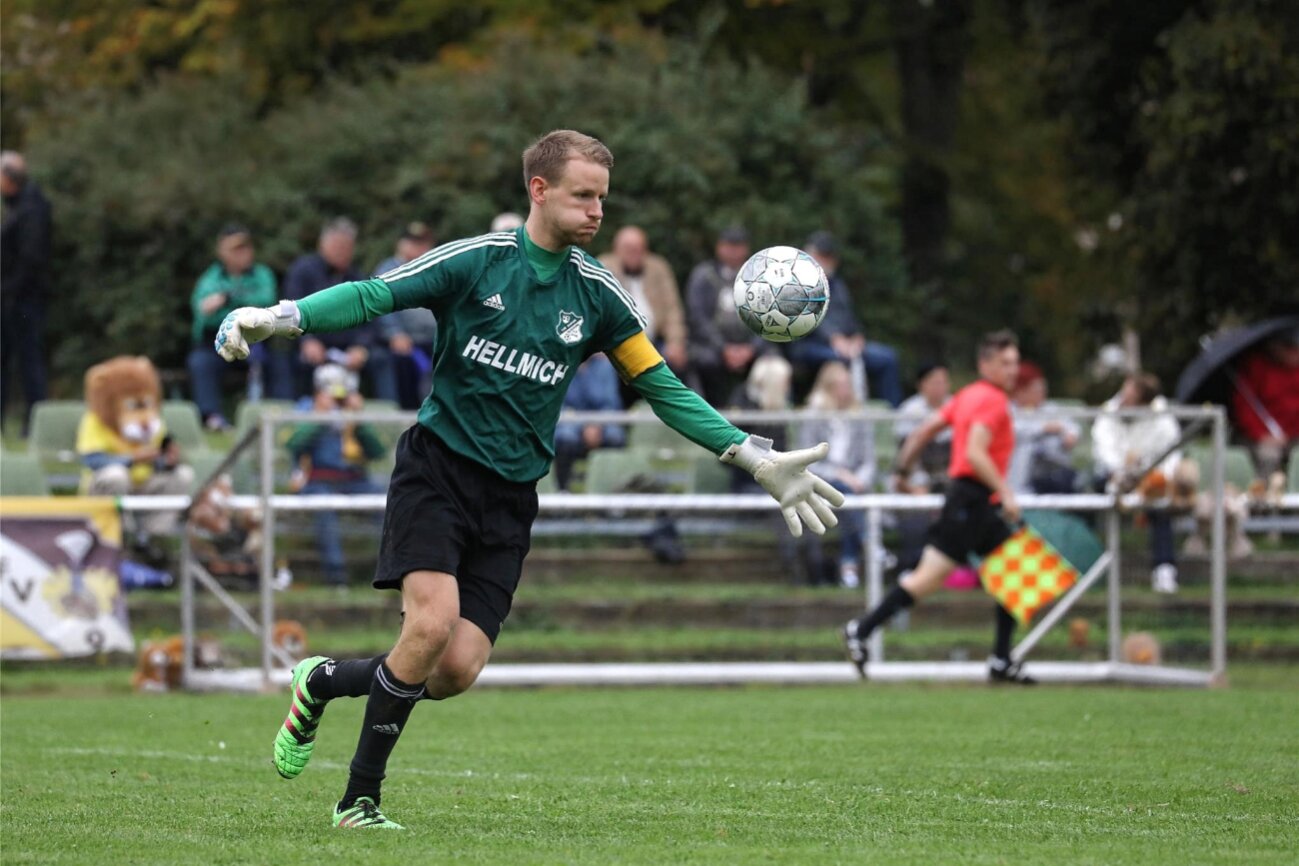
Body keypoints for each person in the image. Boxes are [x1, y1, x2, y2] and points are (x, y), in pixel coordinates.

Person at [214, 129, 843, 830]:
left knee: (453, 670)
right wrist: (282, 317)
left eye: (602, 198)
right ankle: (358, 800)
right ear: (538, 190)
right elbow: (373, 294)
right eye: (582, 195)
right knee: (428, 628)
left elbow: (659, 384)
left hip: (511, 495)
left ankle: (323, 680)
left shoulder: (599, 296)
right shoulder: (478, 262)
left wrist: (748, 454)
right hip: (437, 471)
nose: (596, 211)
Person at [843, 330, 1033, 684]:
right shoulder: (990, 400)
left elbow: (922, 433)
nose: (1013, 370)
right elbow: (976, 454)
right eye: (1005, 363)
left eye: (1015, 362)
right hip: (973, 499)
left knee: (1014, 573)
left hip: (971, 500)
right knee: (929, 580)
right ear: (985, 364)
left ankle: (1001, 660)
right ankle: (861, 629)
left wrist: (901, 472)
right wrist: (1006, 491)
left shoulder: (966, 396)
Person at [287, 365, 387, 588]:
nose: (337, 397)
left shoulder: (353, 412)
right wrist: (320, 417)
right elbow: (293, 445)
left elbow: (378, 452)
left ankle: (389, 572)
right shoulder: (306, 408)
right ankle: (337, 578)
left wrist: (358, 418)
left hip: (354, 479)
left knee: (388, 502)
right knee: (323, 506)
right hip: (318, 480)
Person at [1091, 372, 1186, 593]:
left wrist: (1152, 476)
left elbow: (1171, 454)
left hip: (1150, 478)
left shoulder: (1162, 417)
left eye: (1131, 396)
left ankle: (1164, 570)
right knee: (1100, 489)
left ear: (1145, 402)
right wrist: (1121, 471)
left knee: (1160, 505)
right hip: (1113, 475)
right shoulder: (1109, 411)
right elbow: (1102, 448)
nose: (1124, 399)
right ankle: (1095, 567)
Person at [284, 218, 397, 402]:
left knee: (382, 359)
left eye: (347, 247)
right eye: (338, 246)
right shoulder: (303, 271)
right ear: (322, 244)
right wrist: (307, 341)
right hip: (313, 344)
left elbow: (373, 319)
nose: (343, 252)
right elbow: (289, 310)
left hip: (349, 348)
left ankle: (387, 418)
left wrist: (361, 347)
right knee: (286, 360)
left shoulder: (357, 277)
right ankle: (294, 417)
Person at [787, 231, 903, 407]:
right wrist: (834, 338)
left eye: (828, 256)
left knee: (888, 358)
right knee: (844, 359)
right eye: (820, 255)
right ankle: (849, 413)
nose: (824, 261)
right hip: (808, 345)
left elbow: (850, 318)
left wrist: (857, 336)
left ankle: (893, 423)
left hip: (844, 346)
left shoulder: (838, 285)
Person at [186, 225, 278, 429]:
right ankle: (212, 418)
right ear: (222, 252)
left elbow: (266, 301)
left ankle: (277, 415)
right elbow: (204, 315)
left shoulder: (262, 275)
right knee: (201, 362)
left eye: (246, 247)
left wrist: (227, 298)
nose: (243, 253)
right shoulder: (210, 278)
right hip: (218, 345)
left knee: (280, 362)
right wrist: (239, 305)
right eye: (236, 249)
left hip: (254, 342)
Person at [797, 361, 876, 588]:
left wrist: (859, 478)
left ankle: (850, 566)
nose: (846, 391)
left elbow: (868, 460)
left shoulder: (859, 416)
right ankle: (865, 547)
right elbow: (807, 460)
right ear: (828, 387)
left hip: (854, 485)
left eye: (848, 385)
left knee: (848, 498)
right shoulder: (813, 416)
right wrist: (840, 475)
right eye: (840, 385)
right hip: (821, 480)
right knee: (846, 494)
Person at [685, 225, 767, 406]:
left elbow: (770, 318)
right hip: (711, 347)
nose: (733, 251)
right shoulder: (703, 276)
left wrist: (751, 348)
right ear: (719, 247)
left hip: (751, 348)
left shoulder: (762, 278)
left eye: (738, 246)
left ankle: (766, 427)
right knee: (704, 362)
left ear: (746, 249)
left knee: (774, 367)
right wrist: (723, 348)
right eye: (729, 245)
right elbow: (697, 318)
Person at [0, 150, 52, 436]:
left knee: (29, 361)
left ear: (9, 177)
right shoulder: (18, 206)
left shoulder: (32, 208)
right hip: (14, 297)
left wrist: (7, 290)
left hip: (23, 300)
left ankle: (35, 423)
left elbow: (31, 260)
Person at [599, 226, 688, 373]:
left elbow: (673, 310)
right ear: (616, 250)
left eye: (638, 248)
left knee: (680, 361)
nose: (634, 253)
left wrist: (675, 342)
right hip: (615, 345)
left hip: (655, 341)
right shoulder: (603, 267)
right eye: (628, 248)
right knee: (602, 371)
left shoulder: (658, 268)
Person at [372, 222, 439, 410]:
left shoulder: (436, 270)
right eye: (413, 243)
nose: (418, 248)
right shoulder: (388, 269)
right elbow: (380, 306)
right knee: (400, 361)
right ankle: (402, 417)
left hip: (434, 341)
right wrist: (395, 333)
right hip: (402, 343)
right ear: (400, 244)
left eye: (423, 243)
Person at [1230, 329, 1299, 483]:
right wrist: (1262, 435)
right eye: (1289, 347)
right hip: (1263, 438)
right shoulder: (1255, 367)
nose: (1295, 352)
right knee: (1268, 455)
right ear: (1274, 347)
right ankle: (1264, 502)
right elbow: (1244, 410)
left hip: (1293, 435)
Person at [552, 354, 626, 490]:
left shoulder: (604, 366)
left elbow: (611, 404)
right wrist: (582, 426)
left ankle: (609, 492)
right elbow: (558, 405)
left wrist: (597, 424)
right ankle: (563, 492)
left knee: (615, 436)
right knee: (565, 437)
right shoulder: (559, 366)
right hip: (569, 421)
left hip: (601, 422)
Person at [1007, 361, 1080, 495]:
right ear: (1020, 391)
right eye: (1036, 389)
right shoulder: (1009, 409)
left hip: (1052, 479)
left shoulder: (1049, 409)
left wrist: (1069, 434)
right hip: (1017, 480)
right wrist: (1043, 428)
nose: (1041, 393)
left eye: (1042, 388)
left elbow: (1070, 427)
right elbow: (1014, 430)